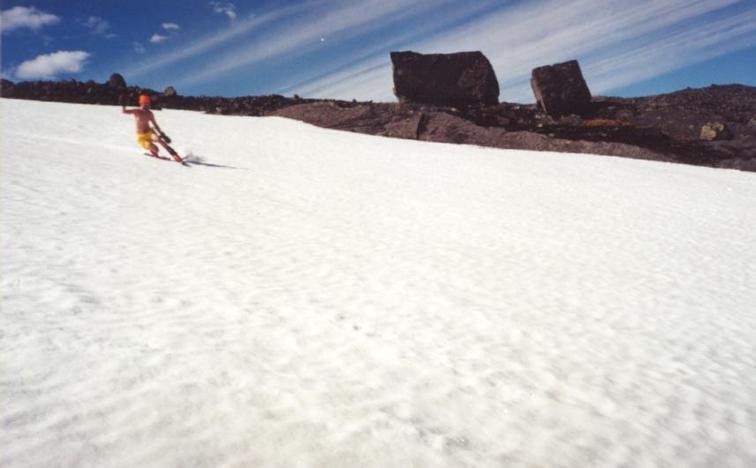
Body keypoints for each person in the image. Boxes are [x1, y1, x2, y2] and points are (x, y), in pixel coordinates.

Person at [122, 94, 183, 162]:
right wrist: (123, 105)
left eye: (148, 103)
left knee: (160, 140)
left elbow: (155, 125)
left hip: (149, 133)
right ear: (141, 103)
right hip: (141, 137)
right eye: (146, 104)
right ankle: (155, 154)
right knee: (156, 149)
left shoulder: (150, 113)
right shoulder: (137, 111)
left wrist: (162, 134)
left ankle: (174, 155)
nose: (148, 105)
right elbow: (124, 111)